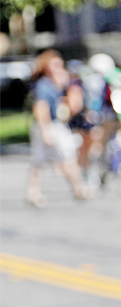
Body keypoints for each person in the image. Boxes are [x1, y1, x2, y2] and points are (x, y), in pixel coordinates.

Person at [25, 49, 91, 205]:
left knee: (59, 158)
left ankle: (77, 187)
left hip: (56, 124)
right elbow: (42, 107)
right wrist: (45, 129)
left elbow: (70, 106)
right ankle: (77, 187)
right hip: (49, 125)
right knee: (54, 158)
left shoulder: (58, 84)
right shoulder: (44, 84)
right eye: (54, 65)